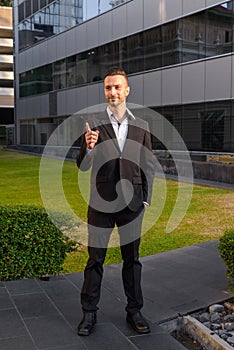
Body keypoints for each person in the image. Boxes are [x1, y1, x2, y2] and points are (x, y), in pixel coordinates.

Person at [76, 67, 155, 336]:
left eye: (118, 87)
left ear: (127, 90)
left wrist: (146, 200)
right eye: (109, 88)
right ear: (105, 91)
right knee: (94, 259)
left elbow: (148, 166)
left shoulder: (142, 126)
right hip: (101, 204)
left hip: (133, 205)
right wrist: (88, 147)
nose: (113, 92)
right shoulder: (93, 124)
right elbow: (83, 166)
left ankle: (135, 310)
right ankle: (89, 313)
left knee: (132, 261)